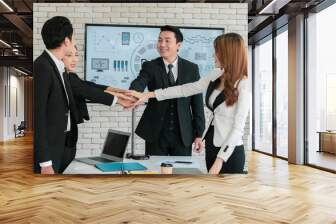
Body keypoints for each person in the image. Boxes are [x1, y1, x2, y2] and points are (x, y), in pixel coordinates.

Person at [127, 33, 250, 174]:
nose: (213, 55)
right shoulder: (216, 75)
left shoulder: (243, 84)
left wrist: (220, 160)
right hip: (212, 146)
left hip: (229, 153)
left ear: (228, 54)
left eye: (217, 51)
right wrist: (148, 95)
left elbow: (238, 129)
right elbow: (185, 89)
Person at [33, 16, 133, 174]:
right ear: (67, 40)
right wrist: (45, 162)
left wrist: (118, 93)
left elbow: (87, 87)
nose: (73, 44)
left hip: (64, 142)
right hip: (52, 148)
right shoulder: (43, 66)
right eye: (73, 39)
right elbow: (39, 118)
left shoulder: (58, 67)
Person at [128, 25, 205, 157]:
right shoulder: (150, 66)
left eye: (167, 40)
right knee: (155, 174)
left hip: (183, 133)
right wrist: (134, 93)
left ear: (178, 45)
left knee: (180, 174)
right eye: (159, 40)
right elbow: (139, 82)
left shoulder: (191, 69)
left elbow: (197, 104)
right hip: (156, 133)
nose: (162, 44)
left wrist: (199, 134)